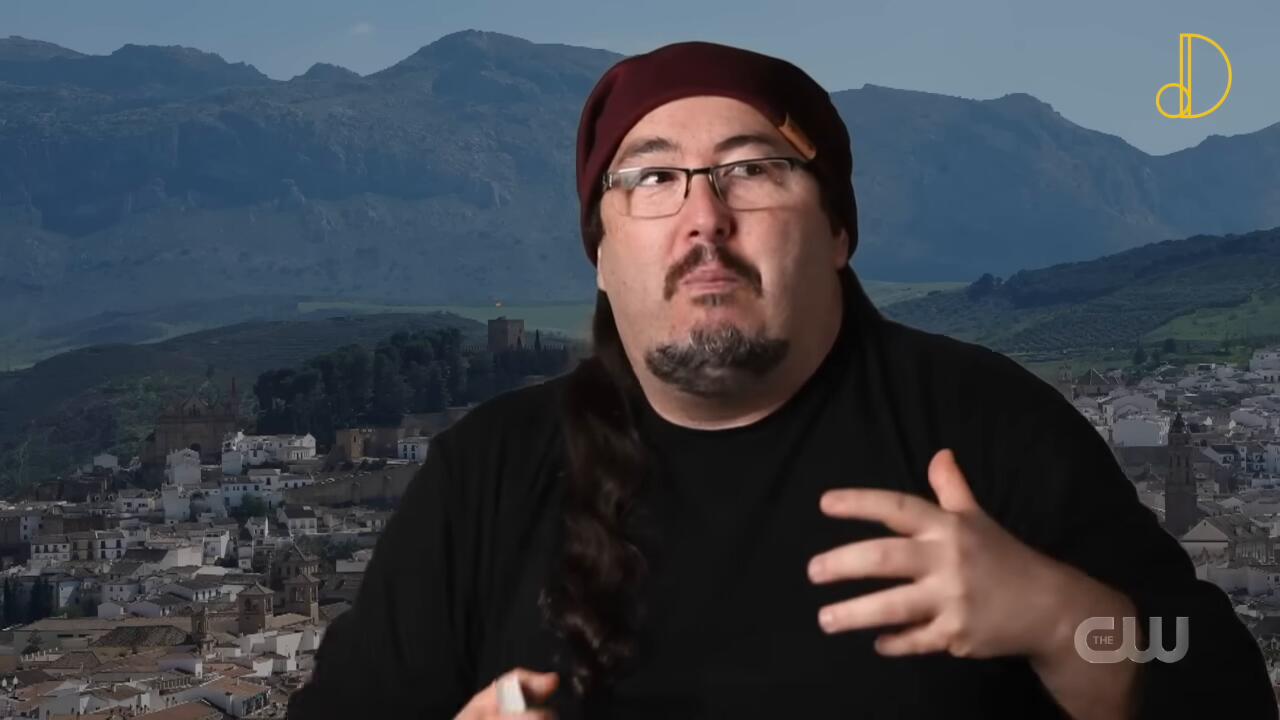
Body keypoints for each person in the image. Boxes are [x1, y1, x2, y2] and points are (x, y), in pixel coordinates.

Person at [288, 41, 1276, 719]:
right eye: (651, 177)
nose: (703, 218)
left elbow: (1212, 675)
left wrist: (1061, 619)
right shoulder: (487, 474)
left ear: (838, 229)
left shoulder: (989, 428)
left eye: (753, 169)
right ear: (600, 255)